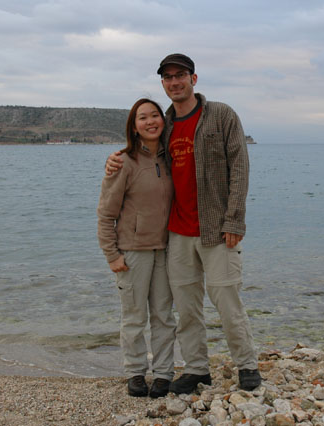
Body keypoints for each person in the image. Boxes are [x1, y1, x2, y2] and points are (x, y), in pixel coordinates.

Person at [105, 53, 261, 394]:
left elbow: (240, 167)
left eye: (181, 75)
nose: (175, 82)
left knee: (227, 302)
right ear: (163, 83)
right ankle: (196, 369)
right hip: (176, 233)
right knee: (187, 309)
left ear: (194, 78)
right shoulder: (166, 124)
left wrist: (235, 218)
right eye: (168, 77)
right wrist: (114, 158)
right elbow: (142, 153)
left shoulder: (220, 115)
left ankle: (247, 365)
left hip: (217, 229)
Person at [97, 98, 176, 398]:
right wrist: (112, 255)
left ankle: (164, 374)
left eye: (155, 115)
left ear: (163, 121)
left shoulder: (170, 160)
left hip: (166, 250)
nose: (150, 121)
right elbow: (106, 213)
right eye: (142, 117)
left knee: (164, 317)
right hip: (132, 252)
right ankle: (135, 373)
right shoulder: (123, 162)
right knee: (133, 317)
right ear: (134, 126)